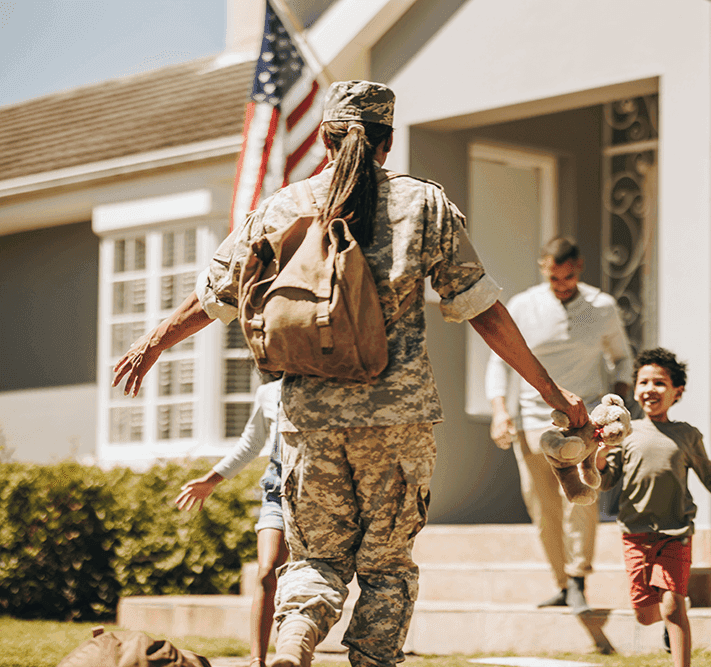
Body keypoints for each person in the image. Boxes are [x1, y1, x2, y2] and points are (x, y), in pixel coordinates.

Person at [112, 80, 587, 667]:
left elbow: (215, 297)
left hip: (308, 422)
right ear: (388, 141)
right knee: (386, 567)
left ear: (323, 137)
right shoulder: (423, 205)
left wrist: (152, 341)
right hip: (398, 421)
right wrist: (552, 391)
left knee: (314, 558)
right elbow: (481, 310)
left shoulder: (282, 205)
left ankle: (293, 645)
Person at [596, 348, 711, 667]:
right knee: (646, 614)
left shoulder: (687, 435)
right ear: (635, 389)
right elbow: (607, 481)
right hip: (635, 536)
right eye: (644, 382)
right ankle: (669, 615)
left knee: (672, 606)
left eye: (660, 383)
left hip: (676, 532)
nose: (650, 389)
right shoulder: (624, 434)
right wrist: (597, 459)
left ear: (677, 392)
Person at [484, 237, 633, 614]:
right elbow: (499, 362)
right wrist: (501, 411)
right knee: (543, 506)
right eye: (554, 278)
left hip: (583, 421)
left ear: (579, 268)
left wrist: (615, 403)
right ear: (543, 269)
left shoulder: (601, 307)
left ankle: (579, 577)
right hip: (533, 420)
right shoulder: (523, 305)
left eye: (567, 277)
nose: (561, 284)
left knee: (581, 497)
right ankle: (562, 584)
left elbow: (622, 359)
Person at [174, 379, 285, 667]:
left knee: (302, 581)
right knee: (266, 571)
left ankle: (293, 656)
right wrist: (210, 481)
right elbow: (251, 443)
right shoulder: (269, 391)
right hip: (278, 494)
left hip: (321, 497)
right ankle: (256, 661)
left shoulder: (329, 381)